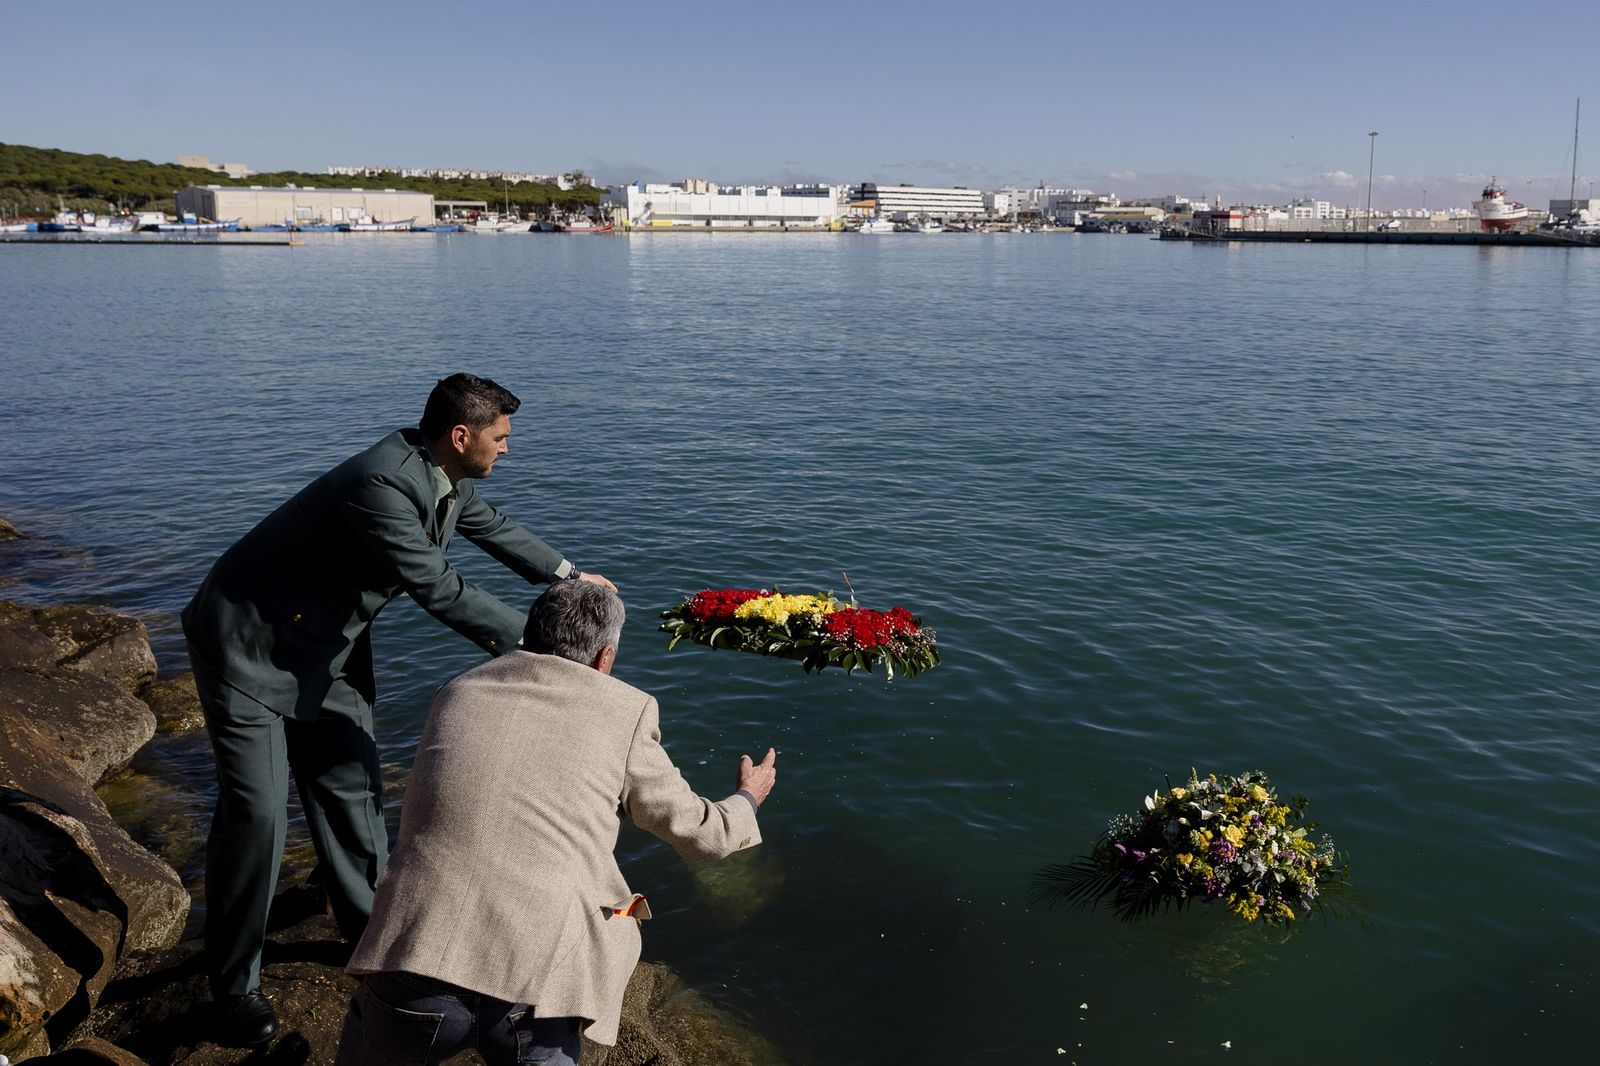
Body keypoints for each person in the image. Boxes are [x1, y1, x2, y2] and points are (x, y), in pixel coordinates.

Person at [182, 373, 615, 1046]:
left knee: (353, 797)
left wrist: (570, 577)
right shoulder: (379, 485)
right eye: (501, 439)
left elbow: (492, 528)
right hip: (247, 648)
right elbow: (436, 586)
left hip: (327, 650)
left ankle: (371, 942)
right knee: (259, 817)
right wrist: (548, 649)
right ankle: (234, 987)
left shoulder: (442, 476)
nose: (509, 450)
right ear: (461, 436)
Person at [334, 580, 775, 1065]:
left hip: (411, 958)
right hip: (531, 989)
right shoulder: (626, 711)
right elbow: (702, 837)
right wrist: (747, 798)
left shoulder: (456, 690)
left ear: (531, 634)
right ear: (605, 657)